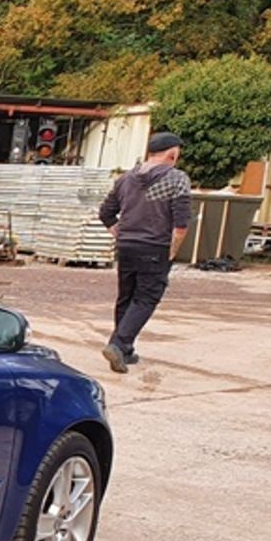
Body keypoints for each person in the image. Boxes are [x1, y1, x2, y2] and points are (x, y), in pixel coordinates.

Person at [96, 131, 192, 372]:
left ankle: (125, 351)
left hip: (127, 246)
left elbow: (106, 213)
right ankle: (118, 343)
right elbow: (181, 224)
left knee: (126, 297)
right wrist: (173, 251)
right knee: (146, 298)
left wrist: (119, 232)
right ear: (173, 153)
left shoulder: (126, 179)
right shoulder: (177, 178)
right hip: (155, 246)